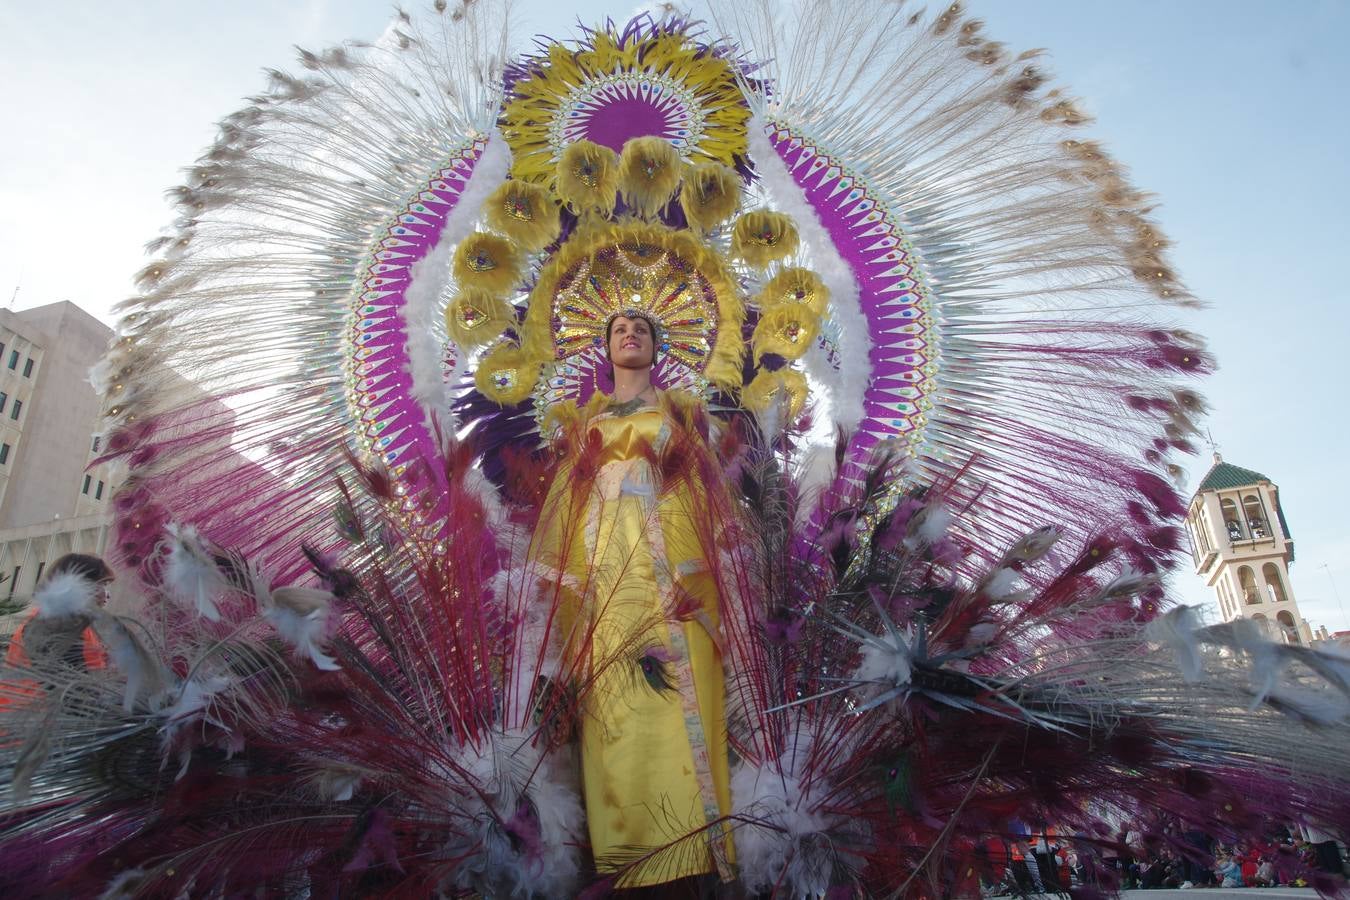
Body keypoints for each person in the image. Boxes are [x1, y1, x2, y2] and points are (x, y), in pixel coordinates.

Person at [531, 311, 735, 891]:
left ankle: (694, 848)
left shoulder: (680, 416)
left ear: (655, 346)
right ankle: (624, 853)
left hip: (671, 578)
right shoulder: (583, 424)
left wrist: (688, 570)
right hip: (606, 586)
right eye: (620, 329)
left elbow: (705, 492)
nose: (630, 335)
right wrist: (578, 582)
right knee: (614, 712)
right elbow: (564, 509)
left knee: (680, 703)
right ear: (605, 345)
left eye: (641, 330)